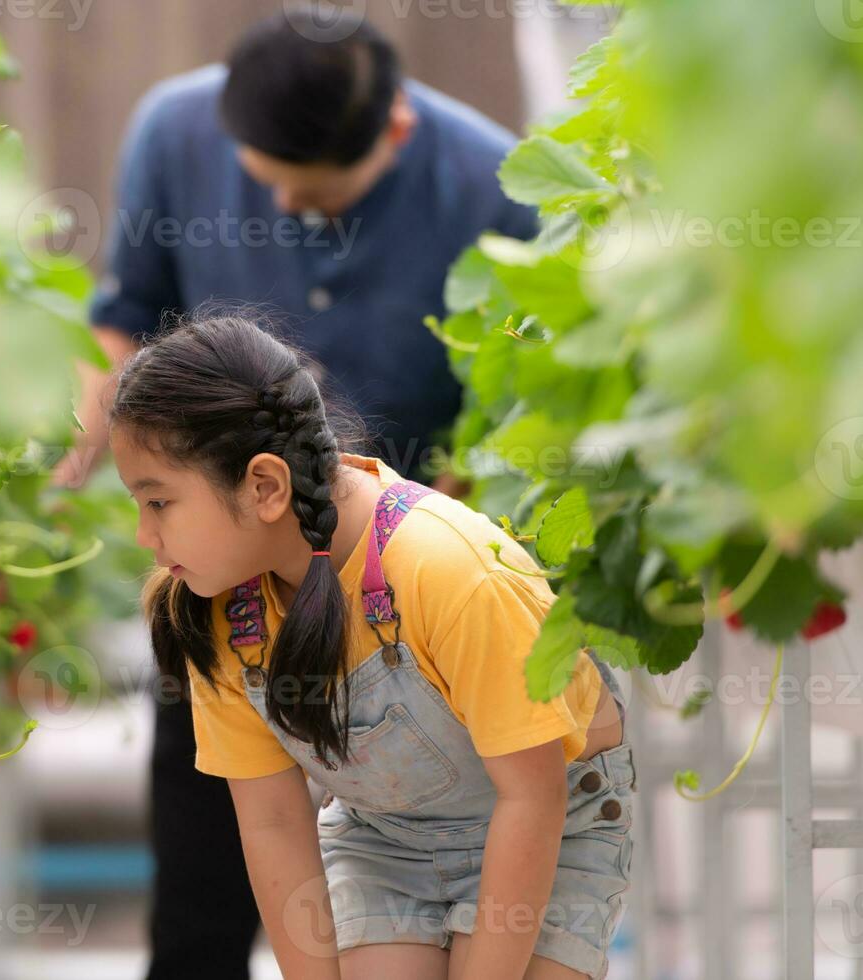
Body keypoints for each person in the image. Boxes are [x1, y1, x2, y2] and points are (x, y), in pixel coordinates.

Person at [51, 7, 543, 977]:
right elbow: (119, 324)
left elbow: (507, 410)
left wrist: (409, 554)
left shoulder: (494, 184)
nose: (282, 201)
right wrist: (59, 463)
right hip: (227, 550)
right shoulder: (175, 128)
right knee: (209, 849)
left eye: (310, 191)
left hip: (402, 581)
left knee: (414, 838)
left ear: (394, 130)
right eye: (264, 178)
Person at [108, 314, 634, 980]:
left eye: (158, 503)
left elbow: (532, 798)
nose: (143, 535)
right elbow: (272, 822)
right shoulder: (217, 612)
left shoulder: (447, 568)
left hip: (550, 820)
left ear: (265, 487)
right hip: (388, 836)